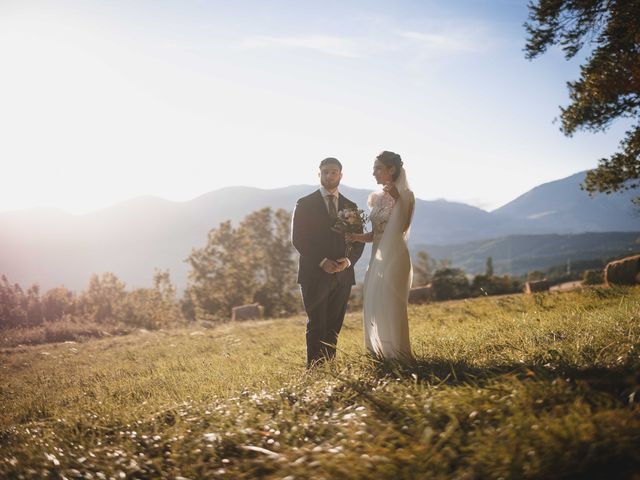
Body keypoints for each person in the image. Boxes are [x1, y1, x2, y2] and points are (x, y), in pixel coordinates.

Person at [291, 157, 365, 367]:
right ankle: (314, 371)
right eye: (325, 172)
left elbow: (358, 241)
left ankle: (330, 369)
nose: (329, 176)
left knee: (334, 326)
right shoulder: (305, 203)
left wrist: (348, 262)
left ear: (341, 175)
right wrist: (322, 261)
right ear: (319, 174)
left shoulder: (351, 206)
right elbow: (298, 239)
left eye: (333, 172)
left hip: (342, 275)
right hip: (314, 274)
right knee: (317, 324)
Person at [347, 151, 415, 360]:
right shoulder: (378, 197)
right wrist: (355, 237)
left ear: (391, 169)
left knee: (391, 303)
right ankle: (379, 353)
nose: (373, 172)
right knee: (376, 302)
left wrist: (398, 199)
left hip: (394, 257)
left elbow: (401, 228)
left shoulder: (406, 196)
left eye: (378, 168)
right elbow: (377, 233)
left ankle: (398, 354)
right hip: (376, 259)